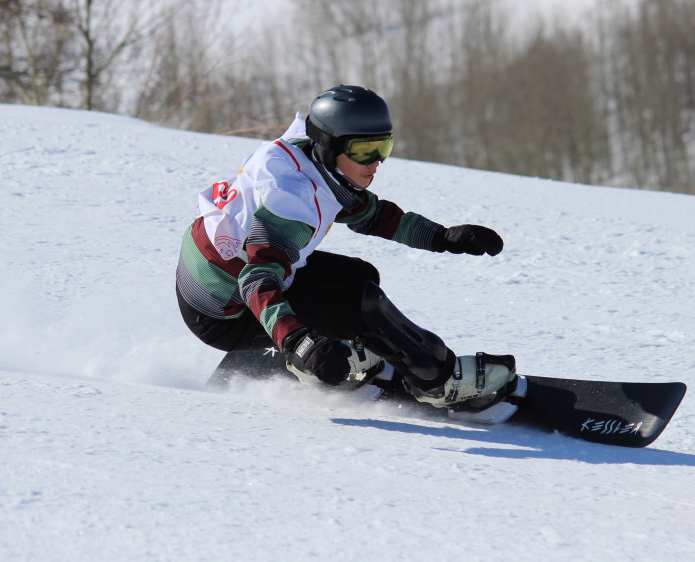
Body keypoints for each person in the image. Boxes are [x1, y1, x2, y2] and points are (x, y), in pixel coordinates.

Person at [176, 85, 517, 412]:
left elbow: (373, 216)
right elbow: (256, 282)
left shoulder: (312, 159)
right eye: (364, 151)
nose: (376, 163)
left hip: (220, 280)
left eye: (383, 147)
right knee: (360, 304)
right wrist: (300, 344)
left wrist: (443, 237)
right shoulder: (291, 204)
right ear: (331, 145)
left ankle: (345, 350)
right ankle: (438, 381)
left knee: (360, 277)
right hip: (224, 313)